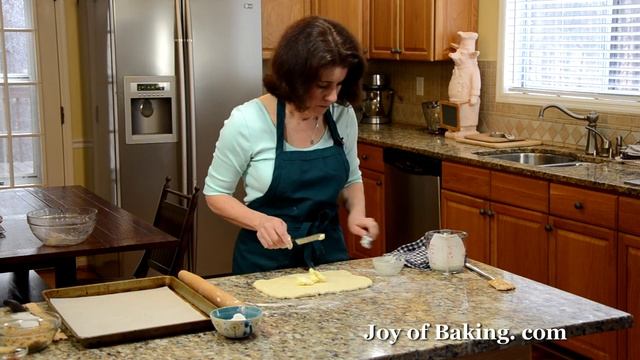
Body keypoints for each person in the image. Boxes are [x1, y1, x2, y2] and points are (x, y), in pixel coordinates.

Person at [203, 16, 379, 274]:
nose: (333, 96)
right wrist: (260, 221)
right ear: (295, 78)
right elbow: (216, 194)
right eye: (322, 86)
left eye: (339, 85)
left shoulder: (342, 115)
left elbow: (352, 177)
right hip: (264, 264)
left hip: (328, 257)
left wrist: (357, 214)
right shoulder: (247, 120)